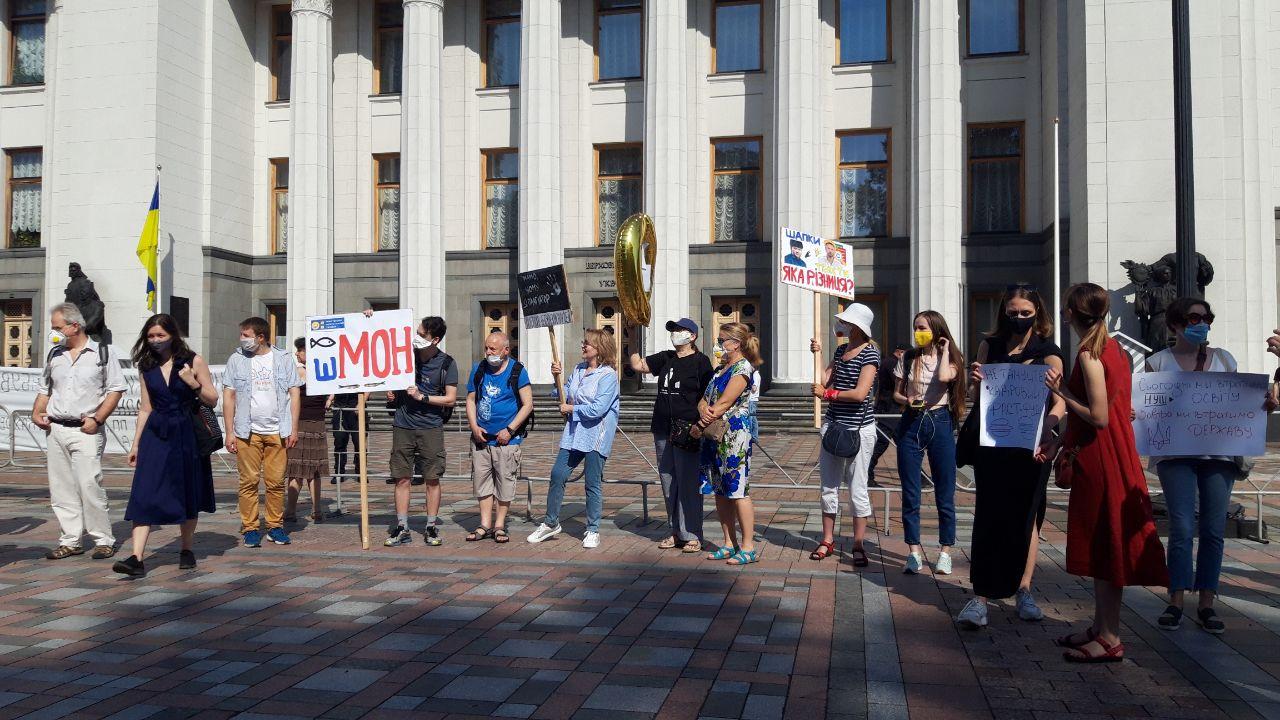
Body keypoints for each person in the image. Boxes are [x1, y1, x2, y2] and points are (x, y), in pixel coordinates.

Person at [1045, 283, 1167, 662]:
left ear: (1071, 314)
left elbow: (1097, 416)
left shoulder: (1090, 354)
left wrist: (1061, 392)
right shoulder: (1112, 347)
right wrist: (1060, 440)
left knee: (1108, 541)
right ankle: (1100, 627)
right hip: (1112, 451)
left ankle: (1110, 636)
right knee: (1104, 540)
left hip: (1103, 457)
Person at [1147, 298, 1269, 634]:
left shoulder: (1225, 359)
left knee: (1214, 529)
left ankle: (1207, 601)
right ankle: (1176, 600)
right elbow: (1147, 407)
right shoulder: (1158, 362)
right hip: (1176, 456)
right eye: (1194, 317)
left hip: (1219, 456)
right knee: (1182, 528)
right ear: (1174, 324)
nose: (1202, 323)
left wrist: (1265, 403)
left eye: (1207, 317)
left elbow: (1240, 402)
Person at [955, 286, 1066, 629]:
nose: (1018, 318)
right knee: (989, 513)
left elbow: (1061, 399)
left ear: (1037, 312)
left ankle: (1024, 589)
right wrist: (974, 381)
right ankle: (981, 596)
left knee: (1027, 516)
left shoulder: (1049, 352)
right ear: (1004, 311)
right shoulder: (990, 345)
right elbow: (978, 396)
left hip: (1032, 447)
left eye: (1025, 313)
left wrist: (1050, 425)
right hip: (993, 443)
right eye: (1012, 312)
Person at [113, 314, 218, 577]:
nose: (156, 341)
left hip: (186, 432)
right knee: (144, 491)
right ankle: (136, 558)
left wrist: (193, 383)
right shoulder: (146, 366)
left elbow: (212, 398)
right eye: (151, 336)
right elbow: (146, 407)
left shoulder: (192, 360)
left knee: (188, 489)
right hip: (156, 433)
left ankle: (186, 549)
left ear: (173, 334)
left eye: (160, 335)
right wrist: (136, 443)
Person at [33, 302, 128, 560]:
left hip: (86, 429)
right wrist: (37, 412)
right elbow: (45, 389)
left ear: (74, 326)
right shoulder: (55, 354)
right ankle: (70, 540)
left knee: (89, 484)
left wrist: (97, 419)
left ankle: (103, 539)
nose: (54, 332)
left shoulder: (102, 353)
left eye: (57, 327)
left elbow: (116, 389)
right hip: (56, 429)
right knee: (61, 488)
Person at [529, 330, 621, 549]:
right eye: (583, 342)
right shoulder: (579, 370)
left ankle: (592, 529)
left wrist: (571, 408)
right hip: (573, 433)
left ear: (599, 348)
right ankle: (551, 522)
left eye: (587, 343)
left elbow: (599, 408)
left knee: (592, 482)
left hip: (596, 434)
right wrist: (556, 378)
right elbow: (564, 393)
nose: (583, 346)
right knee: (557, 474)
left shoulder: (608, 376)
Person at [630, 318, 713, 552]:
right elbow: (638, 365)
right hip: (663, 428)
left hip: (688, 429)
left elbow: (709, 394)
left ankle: (693, 534)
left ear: (692, 336)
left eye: (680, 330)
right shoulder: (666, 357)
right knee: (668, 482)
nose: (675, 334)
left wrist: (701, 424)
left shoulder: (701, 361)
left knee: (688, 483)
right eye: (673, 330)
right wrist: (632, 333)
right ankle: (675, 531)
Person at [894, 311, 965, 575]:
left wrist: (945, 349)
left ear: (936, 329)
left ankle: (945, 551)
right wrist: (907, 401)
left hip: (941, 421)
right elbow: (896, 393)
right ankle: (913, 551)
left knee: (944, 492)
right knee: (911, 493)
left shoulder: (952, 359)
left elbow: (946, 378)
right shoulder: (909, 357)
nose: (918, 332)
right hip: (912, 422)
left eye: (922, 327)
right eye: (915, 328)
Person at [809, 303, 880, 565]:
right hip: (834, 425)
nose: (843, 326)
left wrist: (829, 395)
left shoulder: (870, 354)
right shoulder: (840, 351)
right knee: (828, 486)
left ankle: (858, 544)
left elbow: (860, 394)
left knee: (857, 489)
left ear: (858, 327)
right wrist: (816, 355)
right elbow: (823, 381)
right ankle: (827, 539)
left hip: (859, 430)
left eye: (847, 322)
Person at [222, 317, 302, 548]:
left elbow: (294, 393)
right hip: (247, 431)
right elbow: (229, 395)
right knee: (248, 481)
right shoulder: (236, 359)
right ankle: (250, 528)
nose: (242, 340)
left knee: (276, 481)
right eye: (242, 335)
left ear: (261, 337)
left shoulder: (284, 358)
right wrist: (229, 432)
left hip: (278, 429)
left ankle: (275, 526)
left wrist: (293, 428)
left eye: (246, 335)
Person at [384, 315, 458, 547]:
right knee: (401, 477)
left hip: (430, 427)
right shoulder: (405, 357)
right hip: (403, 425)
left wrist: (422, 397)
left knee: (432, 478)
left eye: (421, 335)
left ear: (435, 339)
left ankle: (431, 526)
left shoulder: (447, 363)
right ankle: (402, 525)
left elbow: (451, 399)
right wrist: (369, 317)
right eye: (416, 333)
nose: (416, 338)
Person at [696, 322, 762, 565]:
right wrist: (704, 410)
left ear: (735, 343)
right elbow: (704, 399)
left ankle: (748, 546)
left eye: (722, 339)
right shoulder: (720, 370)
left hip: (734, 434)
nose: (718, 344)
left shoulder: (743, 369)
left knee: (737, 489)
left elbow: (725, 402)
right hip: (714, 434)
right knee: (720, 489)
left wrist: (709, 412)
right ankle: (729, 542)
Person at [465, 331, 532, 543]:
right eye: (486, 348)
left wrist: (510, 430)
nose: (488, 352)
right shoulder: (478, 369)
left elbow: (528, 404)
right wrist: (474, 426)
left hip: (507, 440)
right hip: (482, 438)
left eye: (492, 349)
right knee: (482, 482)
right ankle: (484, 524)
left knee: (505, 482)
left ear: (506, 350)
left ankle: (500, 525)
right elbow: (470, 399)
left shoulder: (517, 371)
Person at [284, 337, 329, 525]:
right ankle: (313, 510)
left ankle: (292, 511)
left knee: (298, 470)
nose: (297, 353)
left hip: (302, 423)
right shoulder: (324, 372)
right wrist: (329, 399)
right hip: (310, 423)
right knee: (310, 471)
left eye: (300, 350)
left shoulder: (299, 372)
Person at [867, 343, 909, 486]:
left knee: (903, 443)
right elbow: (898, 384)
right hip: (890, 408)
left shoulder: (888, 361)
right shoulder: (892, 363)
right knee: (883, 442)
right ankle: (866, 473)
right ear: (900, 352)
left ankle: (918, 476)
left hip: (891, 408)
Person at [331, 391, 361, 482]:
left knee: (359, 442)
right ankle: (339, 472)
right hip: (340, 408)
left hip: (356, 407)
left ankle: (361, 471)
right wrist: (330, 399)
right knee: (339, 441)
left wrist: (361, 403)